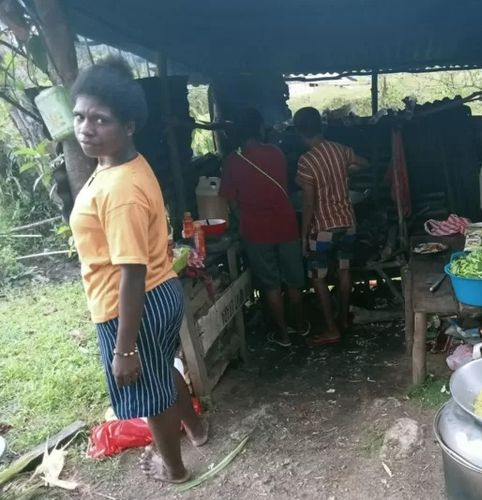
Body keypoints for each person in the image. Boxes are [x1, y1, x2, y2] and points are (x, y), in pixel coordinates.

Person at [68, 57, 206, 484]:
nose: (86, 128)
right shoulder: (119, 164)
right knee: (163, 369)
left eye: (100, 120)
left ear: (128, 125)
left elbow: (130, 270)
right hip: (157, 292)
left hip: (132, 302)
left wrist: (124, 348)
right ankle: (197, 430)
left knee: (148, 393)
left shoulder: (120, 188)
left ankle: (175, 469)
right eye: (79, 116)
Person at [220, 108, 308, 346]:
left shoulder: (232, 162)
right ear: (259, 128)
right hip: (286, 224)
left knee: (271, 284)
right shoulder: (276, 152)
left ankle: (283, 335)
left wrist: (241, 217)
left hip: (256, 231)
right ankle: (300, 326)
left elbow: (230, 199)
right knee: (293, 280)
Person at [294, 107, 369, 345]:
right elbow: (364, 163)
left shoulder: (306, 162)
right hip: (347, 223)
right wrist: (346, 170)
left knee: (318, 278)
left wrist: (304, 236)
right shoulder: (339, 150)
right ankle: (344, 319)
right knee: (344, 270)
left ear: (299, 132)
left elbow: (308, 203)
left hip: (323, 228)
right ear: (321, 126)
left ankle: (331, 328)